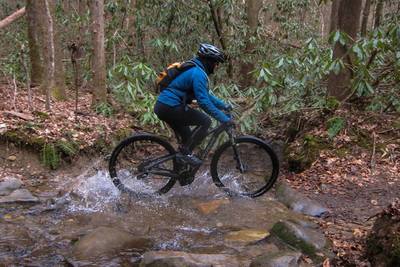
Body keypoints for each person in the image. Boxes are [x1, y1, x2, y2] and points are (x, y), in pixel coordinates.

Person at [154, 43, 232, 166]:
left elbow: (206, 95)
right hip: (170, 107)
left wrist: (224, 106)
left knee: (188, 138)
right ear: (208, 61)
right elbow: (204, 102)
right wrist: (224, 119)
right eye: (216, 62)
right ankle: (185, 156)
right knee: (205, 121)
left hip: (165, 106)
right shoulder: (198, 73)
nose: (216, 66)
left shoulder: (195, 70)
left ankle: (181, 169)